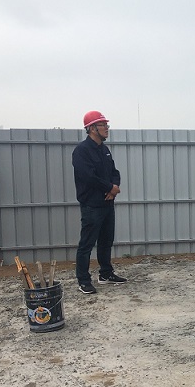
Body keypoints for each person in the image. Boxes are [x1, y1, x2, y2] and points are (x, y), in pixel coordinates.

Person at [72, 110, 126, 294]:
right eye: (103, 125)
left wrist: (114, 187)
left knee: (106, 240)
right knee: (86, 244)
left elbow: (114, 172)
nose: (107, 128)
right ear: (92, 128)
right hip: (92, 205)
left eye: (106, 124)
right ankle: (83, 280)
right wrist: (109, 188)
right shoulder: (81, 151)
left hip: (107, 203)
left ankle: (106, 273)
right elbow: (88, 177)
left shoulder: (104, 150)